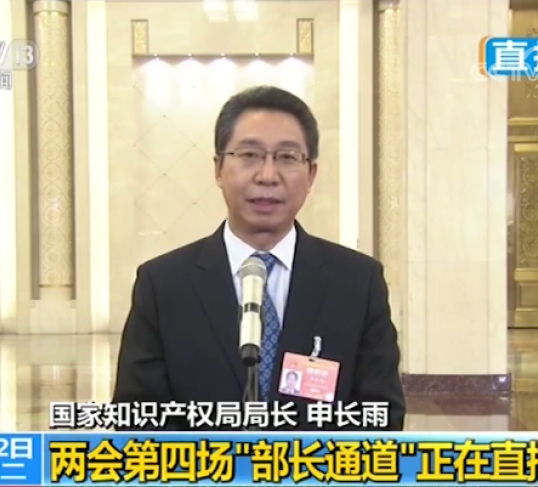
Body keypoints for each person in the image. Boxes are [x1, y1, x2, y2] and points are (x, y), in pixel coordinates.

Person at [113, 85, 405, 430]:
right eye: (249, 155)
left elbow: (381, 415)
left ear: (311, 174)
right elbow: (137, 418)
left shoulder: (357, 282)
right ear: (219, 169)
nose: (267, 176)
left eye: (287, 157)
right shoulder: (163, 284)